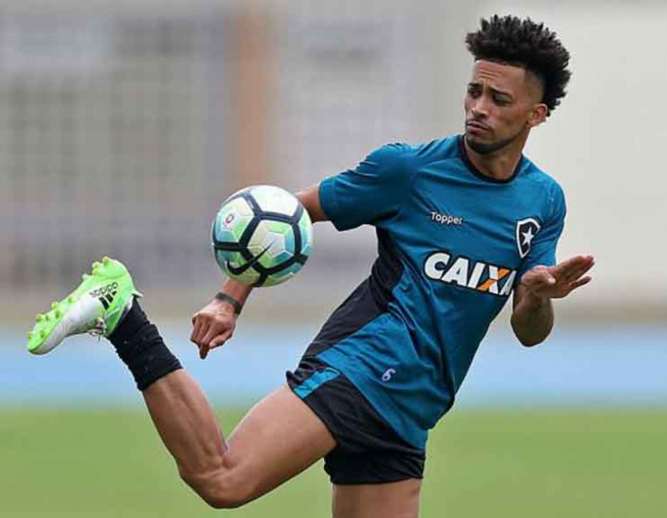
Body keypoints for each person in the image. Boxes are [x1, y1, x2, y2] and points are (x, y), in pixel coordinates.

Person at [26, 15, 593, 518]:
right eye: (473, 91)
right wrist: (230, 298)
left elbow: (529, 331)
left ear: (536, 114)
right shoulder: (408, 171)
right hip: (363, 366)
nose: (477, 108)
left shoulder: (542, 202)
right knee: (223, 480)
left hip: (413, 410)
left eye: (498, 100)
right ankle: (124, 315)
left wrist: (539, 296)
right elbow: (283, 213)